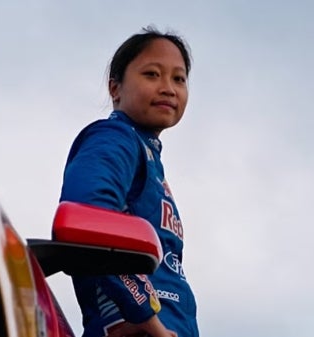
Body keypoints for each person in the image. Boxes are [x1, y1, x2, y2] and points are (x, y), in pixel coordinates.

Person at [59, 26, 198, 337]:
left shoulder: (148, 156)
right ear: (115, 89)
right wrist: (148, 319)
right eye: (152, 74)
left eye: (179, 78)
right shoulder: (115, 139)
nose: (168, 88)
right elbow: (87, 221)